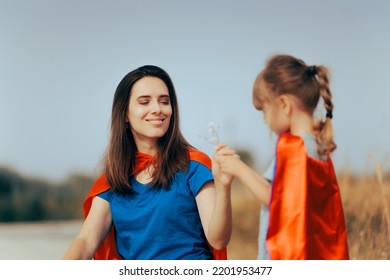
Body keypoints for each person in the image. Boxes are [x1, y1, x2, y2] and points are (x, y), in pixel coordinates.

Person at [63, 65, 233, 260]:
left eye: (164, 101)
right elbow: (85, 242)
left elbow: (218, 240)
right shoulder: (112, 182)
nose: (157, 109)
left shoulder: (194, 165)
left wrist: (224, 187)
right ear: (125, 114)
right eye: (144, 102)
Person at [214, 54, 349, 260]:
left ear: (284, 104)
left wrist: (238, 168)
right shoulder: (317, 148)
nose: (265, 120)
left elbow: (274, 198)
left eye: (265, 110)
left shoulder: (293, 148)